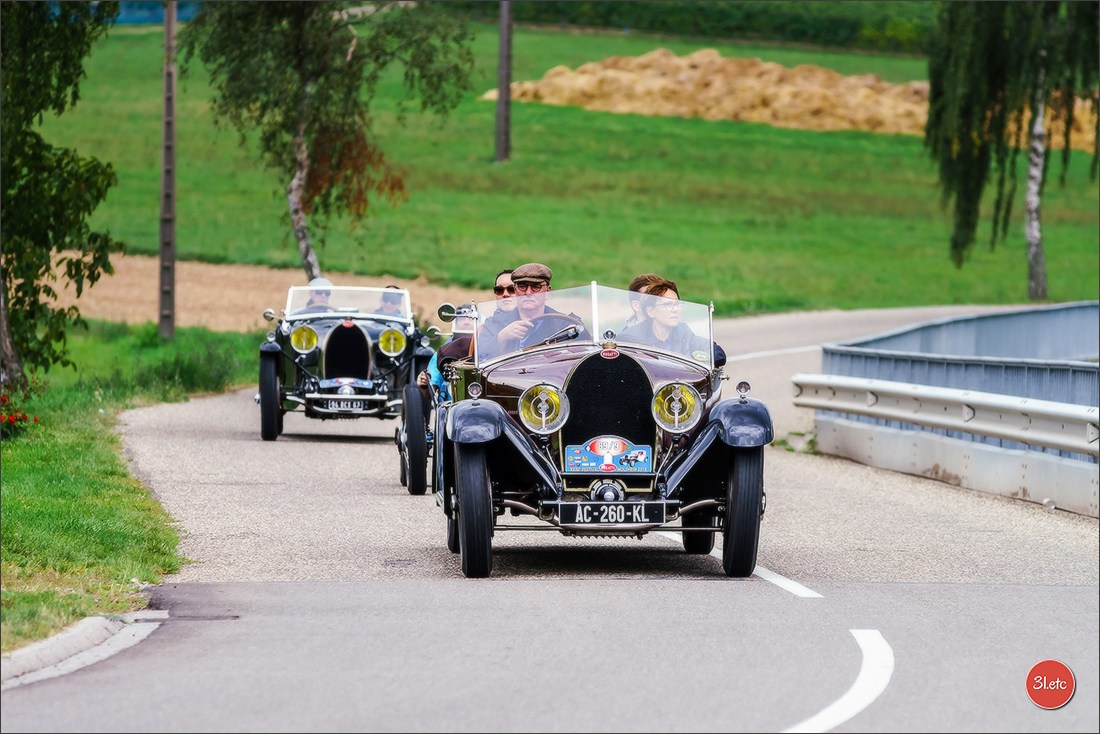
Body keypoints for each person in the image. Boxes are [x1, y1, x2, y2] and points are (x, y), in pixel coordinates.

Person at [617, 276, 726, 365]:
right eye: (667, 305)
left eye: (677, 304)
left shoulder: (682, 331)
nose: (675, 310)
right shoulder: (630, 337)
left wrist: (699, 359)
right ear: (650, 311)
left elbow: (717, 353)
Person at [417, 305, 475, 403]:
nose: (466, 321)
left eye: (470, 318)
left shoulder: (487, 346)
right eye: (461, 318)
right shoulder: (444, 351)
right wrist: (425, 384)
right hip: (450, 408)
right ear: (455, 322)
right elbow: (430, 391)